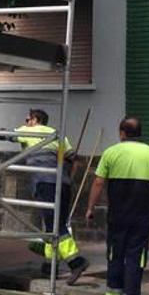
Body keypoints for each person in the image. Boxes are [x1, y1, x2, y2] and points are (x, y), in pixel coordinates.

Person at [85, 117, 149, 295]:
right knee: (135, 258)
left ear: (122, 133)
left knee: (115, 255)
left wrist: (90, 208)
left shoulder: (110, 153)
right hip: (141, 218)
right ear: (140, 134)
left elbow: (98, 183)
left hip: (117, 217)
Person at [11, 109, 90, 284]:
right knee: (52, 225)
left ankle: (76, 262)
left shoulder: (29, 131)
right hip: (63, 183)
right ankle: (50, 266)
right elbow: (72, 157)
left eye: (27, 119)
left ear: (35, 120)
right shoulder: (57, 134)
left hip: (45, 183)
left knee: (56, 226)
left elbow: (7, 135)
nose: (25, 122)